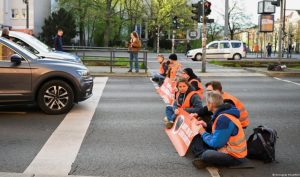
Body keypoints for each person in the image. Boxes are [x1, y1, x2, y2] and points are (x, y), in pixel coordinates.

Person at [190, 91, 247, 169]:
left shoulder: (224, 119)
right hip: (225, 147)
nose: (206, 105)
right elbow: (218, 131)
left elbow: (216, 143)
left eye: (207, 103)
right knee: (197, 136)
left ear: (211, 104)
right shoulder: (223, 113)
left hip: (235, 156)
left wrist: (203, 132)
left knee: (207, 154)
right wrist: (205, 125)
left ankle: (204, 157)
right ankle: (205, 158)